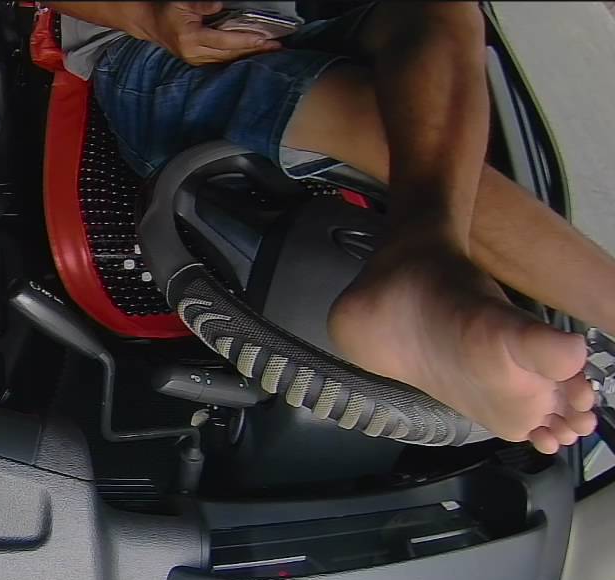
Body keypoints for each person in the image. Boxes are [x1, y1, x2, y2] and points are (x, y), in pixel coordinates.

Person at [45, 0, 609, 453]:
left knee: (443, 15)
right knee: (399, 132)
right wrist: (148, 16)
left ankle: (425, 260)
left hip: (291, 26)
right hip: (154, 53)